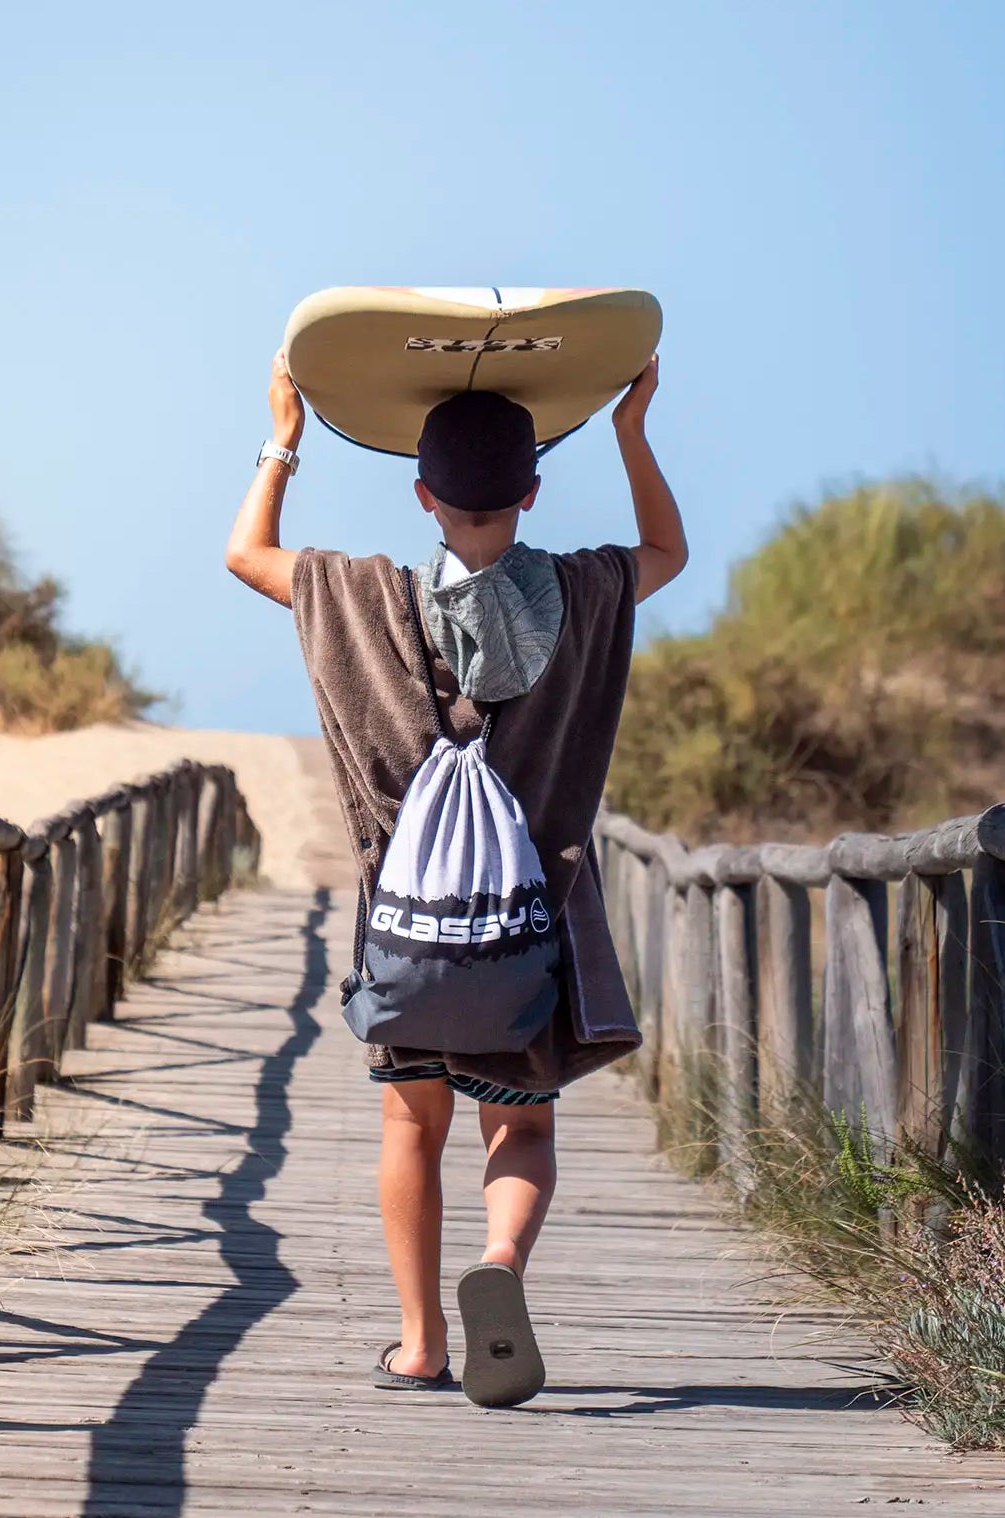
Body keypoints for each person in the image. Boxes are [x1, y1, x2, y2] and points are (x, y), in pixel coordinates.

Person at [226, 349, 687, 1407]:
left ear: (423, 495)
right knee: (520, 1125)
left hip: (411, 930)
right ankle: (503, 1264)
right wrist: (631, 428)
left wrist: (284, 431)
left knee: (410, 1124)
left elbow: (245, 552)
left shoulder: (360, 602)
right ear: (531, 492)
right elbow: (668, 546)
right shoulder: (585, 593)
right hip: (536, 926)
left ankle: (423, 1343)